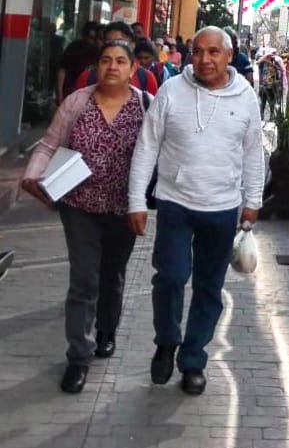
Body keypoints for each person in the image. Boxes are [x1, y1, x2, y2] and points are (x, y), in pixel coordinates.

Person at [128, 26, 264, 396]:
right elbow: (146, 147)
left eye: (213, 52)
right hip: (175, 203)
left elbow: (254, 152)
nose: (204, 59)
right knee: (170, 277)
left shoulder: (246, 97)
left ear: (229, 55)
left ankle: (192, 360)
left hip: (222, 209)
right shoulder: (171, 92)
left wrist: (253, 201)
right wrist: (136, 200)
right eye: (198, 51)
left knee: (209, 287)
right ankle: (166, 341)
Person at [21, 41, 148, 393]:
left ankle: (107, 331)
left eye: (121, 61)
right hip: (78, 207)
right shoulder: (77, 102)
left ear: (132, 69)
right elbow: (48, 144)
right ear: (97, 66)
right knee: (84, 280)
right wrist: (33, 175)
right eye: (106, 60)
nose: (112, 67)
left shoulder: (145, 105)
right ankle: (79, 355)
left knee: (112, 275)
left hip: (123, 209)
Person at [75, 22, 159, 96]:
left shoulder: (146, 78)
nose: (114, 47)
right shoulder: (87, 77)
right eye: (109, 43)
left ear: (132, 45)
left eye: (120, 42)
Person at [56, 22, 102, 103]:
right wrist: (59, 94)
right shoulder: (74, 48)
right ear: (84, 36)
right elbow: (62, 70)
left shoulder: (102, 52)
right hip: (72, 93)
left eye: (97, 38)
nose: (94, 42)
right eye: (91, 38)